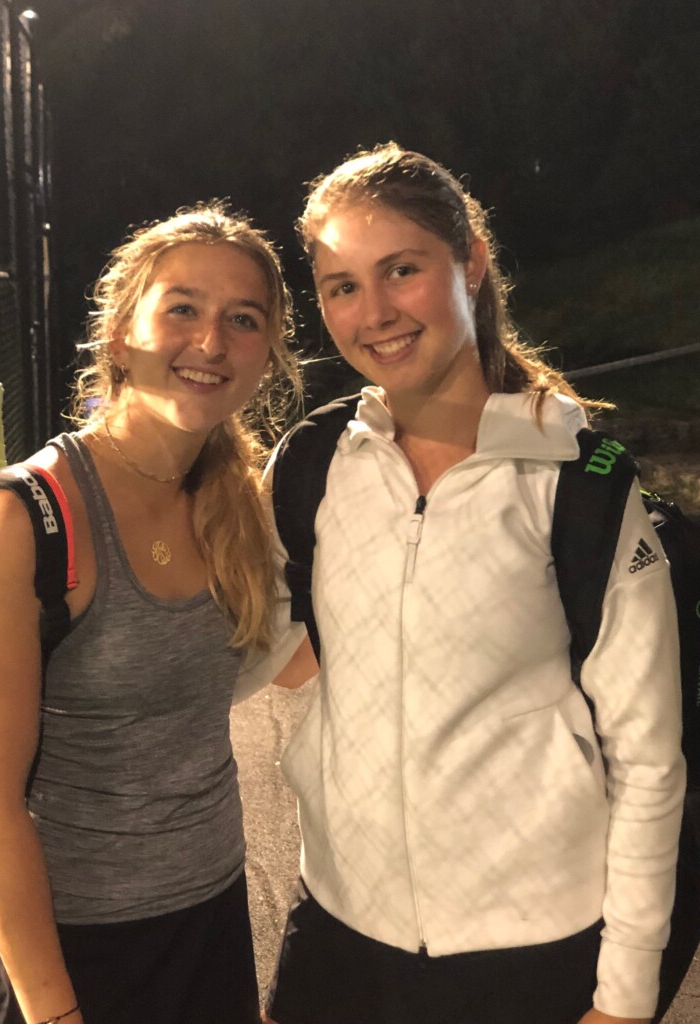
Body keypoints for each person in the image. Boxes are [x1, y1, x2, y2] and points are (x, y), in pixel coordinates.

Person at [264, 144, 685, 1024]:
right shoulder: (311, 463)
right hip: (341, 936)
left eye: (402, 270)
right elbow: (252, 651)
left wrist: (626, 996)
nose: (373, 312)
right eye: (342, 286)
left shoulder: (584, 482)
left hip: (533, 958)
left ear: (472, 261)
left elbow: (649, 762)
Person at [0, 203, 301, 1024]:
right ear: (119, 334)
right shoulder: (26, 519)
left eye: (241, 320)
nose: (210, 343)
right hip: (68, 948)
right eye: (182, 308)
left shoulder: (240, 505)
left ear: (265, 357)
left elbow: (298, 658)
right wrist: (54, 1012)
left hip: (211, 919)